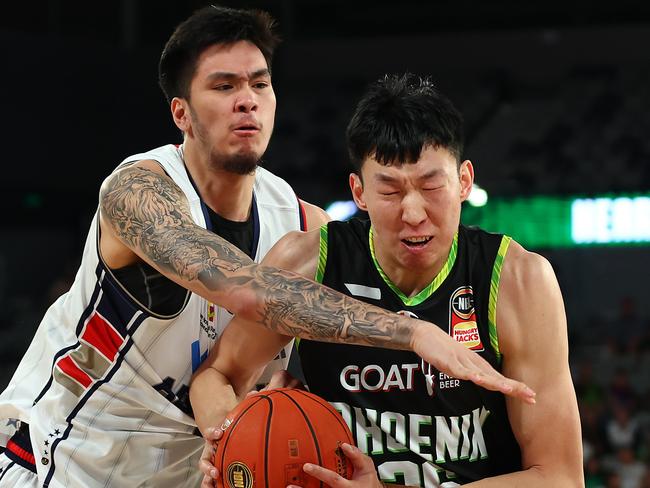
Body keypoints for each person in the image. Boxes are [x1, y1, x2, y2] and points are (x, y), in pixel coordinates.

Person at [0, 8, 533, 488]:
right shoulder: (139, 192)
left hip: (186, 473)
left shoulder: (302, 225)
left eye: (260, 83)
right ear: (181, 113)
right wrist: (413, 332)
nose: (246, 100)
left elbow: (232, 375)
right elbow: (248, 291)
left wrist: (242, 423)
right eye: (224, 86)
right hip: (61, 455)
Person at [192, 74, 582, 487]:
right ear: (359, 191)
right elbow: (217, 375)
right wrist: (229, 437)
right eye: (391, 191)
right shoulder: (307, 264)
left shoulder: (517, 280)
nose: (413, 212)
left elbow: (558, 476)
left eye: (432, 185)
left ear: (464, 181)